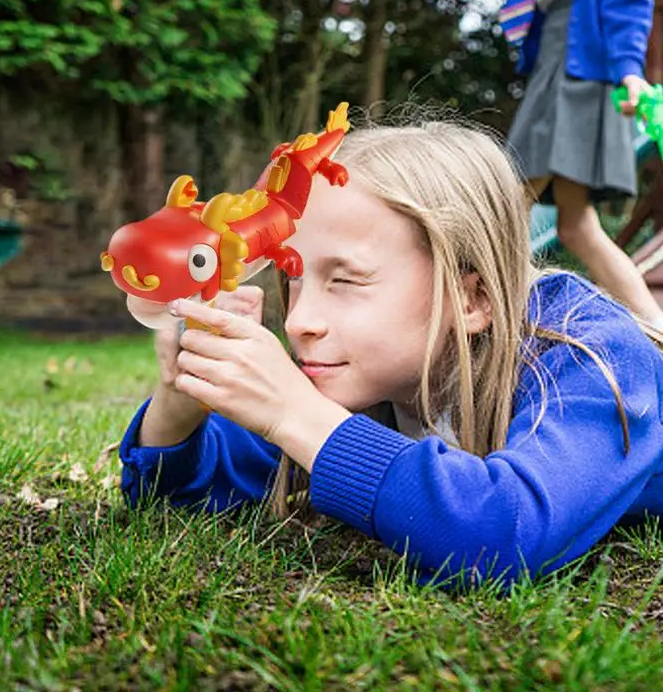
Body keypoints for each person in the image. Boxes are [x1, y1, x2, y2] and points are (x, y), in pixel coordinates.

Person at [119, 121, 663, 589]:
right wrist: (180, 401)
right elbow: (169, 498)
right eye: (295, 279)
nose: (299, 320)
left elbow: (503, 536)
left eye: (347, 279)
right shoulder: (360, 373)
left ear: (471, 298)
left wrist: (298, 417)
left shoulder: (589, 354)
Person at [467, 0, 663, 328]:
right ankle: (657, 328)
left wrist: (630, 69)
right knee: (576, 225)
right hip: (554, 45)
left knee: (508, 196)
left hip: (588, 54)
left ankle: (464, 312)